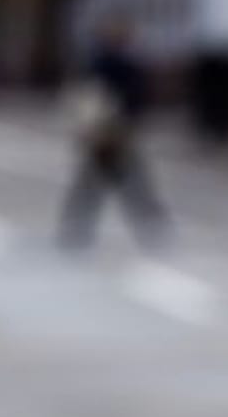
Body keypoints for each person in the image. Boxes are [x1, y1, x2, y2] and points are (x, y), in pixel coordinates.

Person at [58, 20, 170, 251]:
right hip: (110, 133)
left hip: (113, 134)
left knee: (107, 185)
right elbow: (94, 99)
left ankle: (76, 232)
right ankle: (152, 229)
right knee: (116, 185)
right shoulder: (108, 66)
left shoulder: (104, 65)